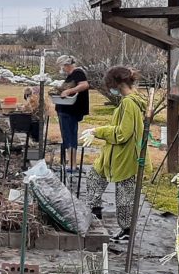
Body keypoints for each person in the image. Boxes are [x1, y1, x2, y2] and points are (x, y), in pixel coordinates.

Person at [81, 66, 146, 245]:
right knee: (95, 177)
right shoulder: (131, 100)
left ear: (116, 83)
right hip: (114, 154)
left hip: (124, 155)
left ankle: (127, 230)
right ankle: (95, 217)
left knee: (124, 195)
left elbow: (123, 133)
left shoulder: (129, 103)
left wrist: (97, 131)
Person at [55, 55, 90, 175]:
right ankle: (71, 163)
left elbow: (84, 85)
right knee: (68, 136)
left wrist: (69, 91)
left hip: (70, 111)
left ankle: (72, 165)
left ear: (66, 65)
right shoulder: (71, 76)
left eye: (62, 66)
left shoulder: (77, 72)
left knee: (69, 136)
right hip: (66, 109)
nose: (62, 69)